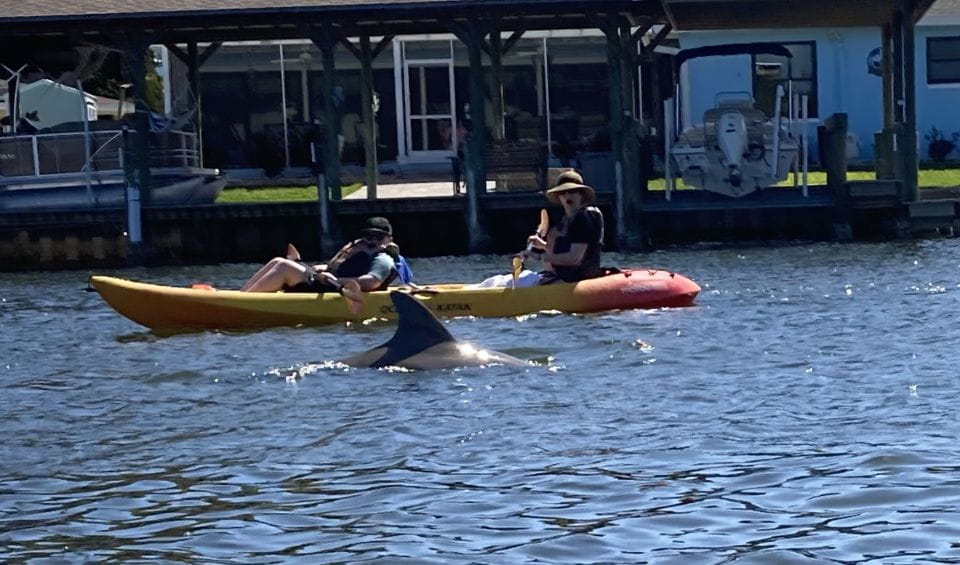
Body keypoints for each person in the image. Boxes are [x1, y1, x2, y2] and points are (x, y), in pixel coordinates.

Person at [474, 170, 604, 288]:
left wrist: (539, 256)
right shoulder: (568, 219)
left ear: (581, 194)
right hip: (557, 277)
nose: (567, 196)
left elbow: (574, 258)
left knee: (500, 285)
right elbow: (564, 250)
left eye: (572, 191)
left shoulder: (584, 218)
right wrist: (543, 245)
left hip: (571, 280)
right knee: (493, 281)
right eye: (563, 193)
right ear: (559, 196)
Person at [240, 216, 403, 293]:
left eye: (379, 237)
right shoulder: (357, 249)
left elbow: (372, 282)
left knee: (284, 266)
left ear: (389, 239)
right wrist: (332, 263)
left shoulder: (383, 258)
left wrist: (336, 280)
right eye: (368, 236)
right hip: (325, 284)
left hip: (333, 289)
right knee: (278, 260)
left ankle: (244, 301)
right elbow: (336, 267)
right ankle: (243, 295)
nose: (372, 241)